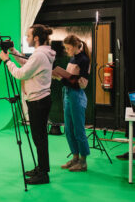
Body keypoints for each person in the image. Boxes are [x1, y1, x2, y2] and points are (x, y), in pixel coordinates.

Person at [2, 24, 56, 185]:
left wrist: (7, 61)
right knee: (39, 137)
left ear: (36, 38)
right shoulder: (42, 53)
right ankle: (41, 168)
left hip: (38, 102)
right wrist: (13, 52)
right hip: (40, 100)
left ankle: (43, 174)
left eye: (28, 36)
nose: (26, 38)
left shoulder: (39, 55)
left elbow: (20, 73)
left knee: (39, 138)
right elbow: (27, 64)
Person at [52, 35, 91, 172]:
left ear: (75, 47)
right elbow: (70, 79)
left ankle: (83, 162)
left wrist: (60, 78)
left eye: (68, 48)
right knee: (68, 129)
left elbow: (81, 84)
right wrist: (61, 77)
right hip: (67, 94)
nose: (67, 51)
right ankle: (75, 158)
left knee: (78, 130)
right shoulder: (73, 58)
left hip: (76, 96)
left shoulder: (84, 60)